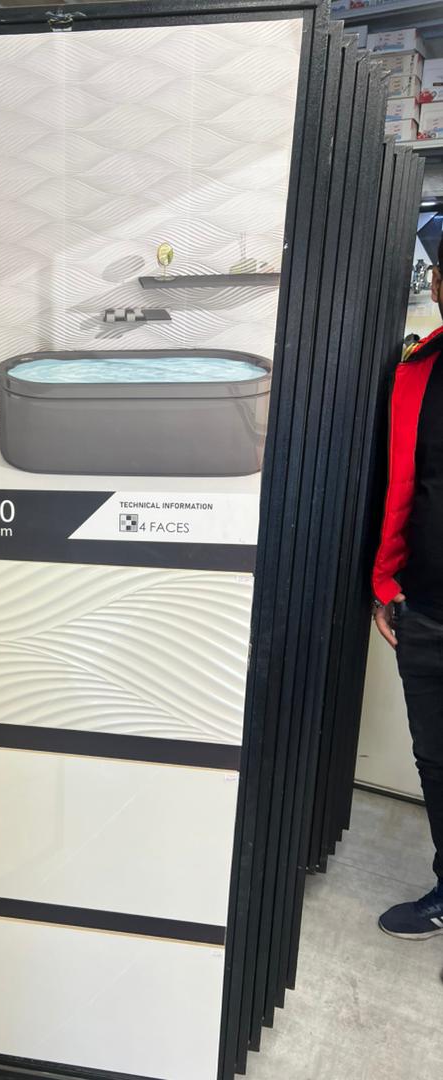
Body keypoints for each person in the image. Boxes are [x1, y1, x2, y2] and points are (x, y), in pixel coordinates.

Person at [373, 234, 443, 939]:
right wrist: (385, 581)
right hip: (423, 609)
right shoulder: (418, 369)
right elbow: (401, 483)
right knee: (436, 761)